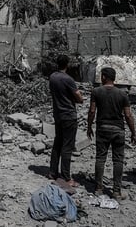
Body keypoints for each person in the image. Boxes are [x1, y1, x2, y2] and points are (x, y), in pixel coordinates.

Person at [86, 67, 136, 199]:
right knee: (118, 160)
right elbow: (128, 115)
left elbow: (92, 111)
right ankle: (116, 191)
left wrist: (89, 126)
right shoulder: (122, 94)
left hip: (102, 128)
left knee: (100, 158)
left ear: (104, 77)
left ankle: (98, 188)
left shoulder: (96, 92)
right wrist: (133, 132)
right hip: (118, 130)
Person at [48, 54, 83, 185]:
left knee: (57, 143)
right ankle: (66, 177)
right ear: (67, 64)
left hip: (58, 114)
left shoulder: (52, 77)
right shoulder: (68, 79)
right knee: (67, 146)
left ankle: (52, 172)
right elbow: (79, 98)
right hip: (68, 115)